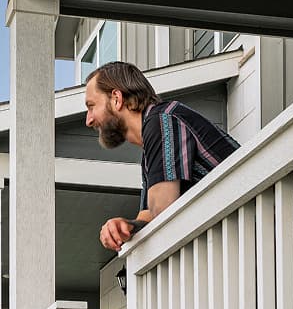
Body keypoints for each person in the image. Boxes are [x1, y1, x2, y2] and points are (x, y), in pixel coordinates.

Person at [85, 61, 240, 252]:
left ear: (117, 99)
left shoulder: (163, 120)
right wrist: (125, 227)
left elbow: (161, 214)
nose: (88, 120)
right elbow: (148, 217)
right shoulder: (152, 142)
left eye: (91, 106)